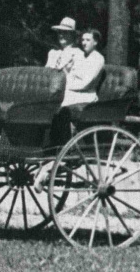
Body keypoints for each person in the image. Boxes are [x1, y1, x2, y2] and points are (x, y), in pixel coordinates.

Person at [34, 28, 105, 193]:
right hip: (72, 92)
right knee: (51, 102)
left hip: (85, 96)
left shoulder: (97, 59)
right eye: (83, 40)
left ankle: (64, 145)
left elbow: (85, 83)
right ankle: (48, 143)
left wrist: (63, 85)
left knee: (59, 103)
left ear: (96, 42)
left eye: (88, 40)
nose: (84, 43)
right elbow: (70, 76)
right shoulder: (80, 57)